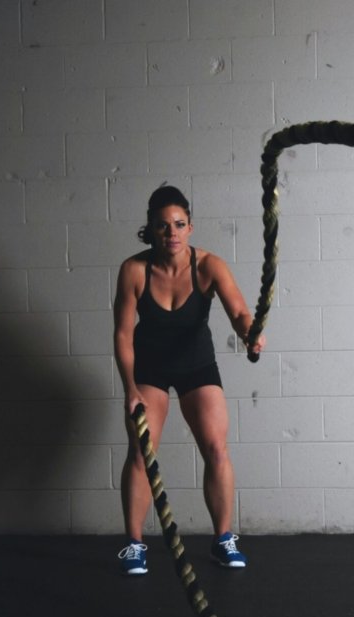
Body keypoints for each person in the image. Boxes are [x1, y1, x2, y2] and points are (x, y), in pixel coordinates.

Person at [113, 185, 264, 575]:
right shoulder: (134, 270)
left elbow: (239, 313)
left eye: (179, 224)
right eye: (163, 226)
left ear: (191, 227)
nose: (172, 233)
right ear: (151, 228)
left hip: (197, 366)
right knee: (141, 452)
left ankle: (223, 538)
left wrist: (251, 332)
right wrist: (130, 389)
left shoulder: (209, 265)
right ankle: (134, 544)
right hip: (150, 370)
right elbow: (123, 335)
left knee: (217, 447)